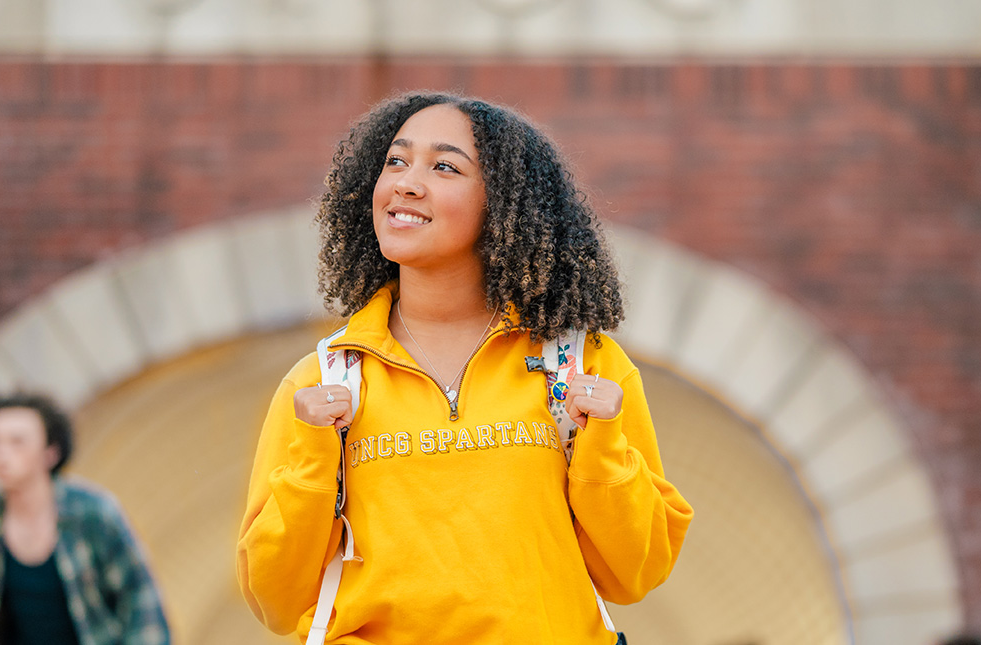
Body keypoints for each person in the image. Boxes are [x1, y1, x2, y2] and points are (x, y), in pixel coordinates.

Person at [236, 91, 693, 644]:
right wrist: (313, 456)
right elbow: (275, 600)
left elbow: (636, 571)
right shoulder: (321, 382)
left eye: (445, 166)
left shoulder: (583, 367)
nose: (406, 182)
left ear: (503, 206)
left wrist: (602, 444)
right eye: (395, 162)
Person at [0, 392, 171, 645]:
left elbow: (142, 605)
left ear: (51, 452)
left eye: (17, 442)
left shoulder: (94, 515)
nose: (1, 454)